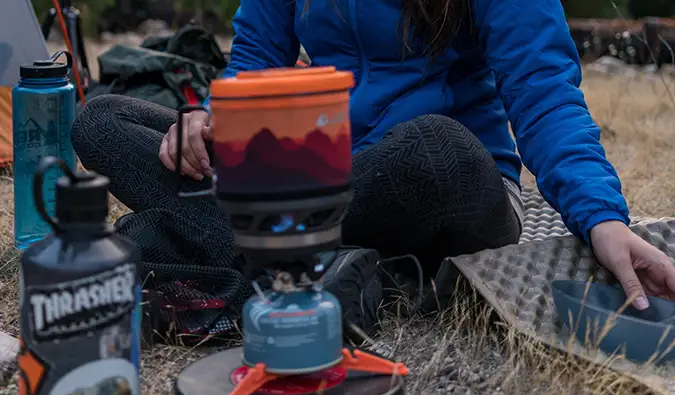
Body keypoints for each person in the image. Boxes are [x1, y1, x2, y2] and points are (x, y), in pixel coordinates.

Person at [71, 0, 675, 336]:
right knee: (100, 121)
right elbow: (256, 61)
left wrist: (600, 217)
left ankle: (207, 244)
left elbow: (542, 88)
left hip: (448, 181)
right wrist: (211, 119)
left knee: (437, 149)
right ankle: (329, 265)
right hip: (324, 175)